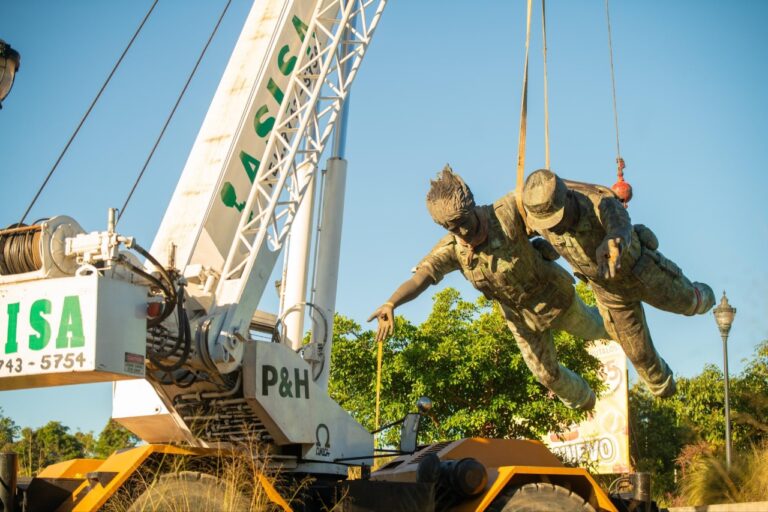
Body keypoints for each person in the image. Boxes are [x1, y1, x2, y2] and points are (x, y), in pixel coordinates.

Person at [368, 165, 609, 410]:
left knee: (600, 329)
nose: (462, 231)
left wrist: (598, 194)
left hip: (554, 297)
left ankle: (623, 320)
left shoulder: (506, 212)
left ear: (472, 207)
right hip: (521, 319)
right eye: (453, 228)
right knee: (546, 375)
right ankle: (584, 399)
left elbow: (551, 191)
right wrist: (392, 302)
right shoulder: (453, 248)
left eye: (464, 222)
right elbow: (421, 277)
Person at [521, 169, 715, 398]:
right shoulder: (541, 217)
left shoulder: (599, 202)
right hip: (609, 294)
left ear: (569, 199)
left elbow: (619, 226)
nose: (553, 227)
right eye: (548, 224)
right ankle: (666, 389)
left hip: (643, 272)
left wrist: (614, 242)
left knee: (689, 303)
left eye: (557, 219)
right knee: (640, 356)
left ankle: (704, 295)